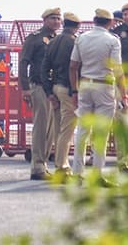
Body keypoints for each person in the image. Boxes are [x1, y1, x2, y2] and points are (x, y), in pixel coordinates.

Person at [69, 8, 127, 176]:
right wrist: (124, 94)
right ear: (110, 22)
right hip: (104, 86)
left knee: (82, 130)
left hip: (85, 85)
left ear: (94, 20)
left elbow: (73, 66)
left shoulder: (82, 38)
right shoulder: (112, 41)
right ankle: (97, 174)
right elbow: (118, 70)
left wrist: (74, 90)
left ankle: (77, 173)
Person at [20, 8, 62, 180]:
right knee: (40, 126)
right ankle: (37, 165)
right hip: (38, 86)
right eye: (53, 18)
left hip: (53, 88)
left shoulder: (58, 39)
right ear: (44, 20)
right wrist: (25, 88)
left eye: (58, 18)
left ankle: (42, 164)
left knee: (51, 129)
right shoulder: (35, 38)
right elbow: (23, 63)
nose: (56, 21)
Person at [43, 11, 83, 177]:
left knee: (59, 128)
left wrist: (48, 91)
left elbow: (44, 68)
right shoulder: (75, 43)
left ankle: (60, 164)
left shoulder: (53, 41)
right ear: (77, 26)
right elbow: (76, 68)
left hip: (55, 88)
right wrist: (76, 90)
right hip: (68, 89)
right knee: (67, 128)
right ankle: (62, 166)